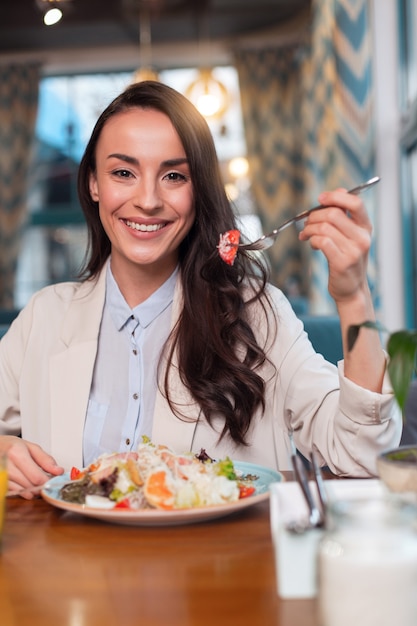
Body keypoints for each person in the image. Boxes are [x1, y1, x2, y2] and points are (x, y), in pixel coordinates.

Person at [0, 80, 401, 498]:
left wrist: (354, 297)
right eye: (123, 173)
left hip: (226, 562)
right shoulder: (43, 318)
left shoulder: (257, 313)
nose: (148, 200)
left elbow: (362, 455)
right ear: (93, 184)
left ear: (200, 190)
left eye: (174, 175)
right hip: (71, 562)